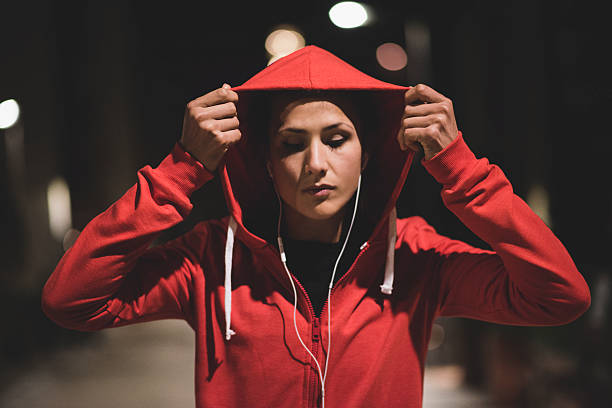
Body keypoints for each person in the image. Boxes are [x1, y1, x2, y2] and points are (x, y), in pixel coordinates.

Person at [41, 45, 591, 408]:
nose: (315, 165)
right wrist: (180, 171)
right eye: (291, 145)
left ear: (367, 153)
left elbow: (558, 297)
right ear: (263, 161)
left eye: (336, 139)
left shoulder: (416, 257)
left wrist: (463, 172)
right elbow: (71, 301)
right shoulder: (210, 260)